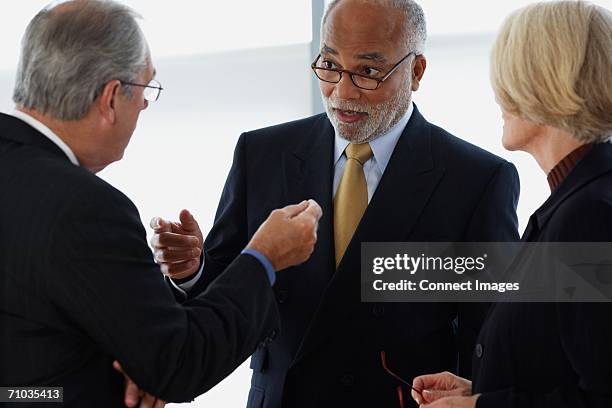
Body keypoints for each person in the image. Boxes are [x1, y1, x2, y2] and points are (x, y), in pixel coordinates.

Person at [152, 0, 519, 406]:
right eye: (329, 65)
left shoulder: (476, 179)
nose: (342, 93)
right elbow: (226, 295)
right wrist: (191, 270)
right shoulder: (262, 154)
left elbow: (488, 344)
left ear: (416, 72)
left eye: (368, 71)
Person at [0, 1, 322, 406]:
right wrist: (263, 257)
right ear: (112, 97)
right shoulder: (87, 208)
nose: (144, 107)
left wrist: (142, 350)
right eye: (145, 89)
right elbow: (179, 362)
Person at [411, 2, 612, 407]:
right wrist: (480, 388)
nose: (498, 98)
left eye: (507, 79)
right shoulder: (576, 201)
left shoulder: (589, 216)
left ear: (542, 83)